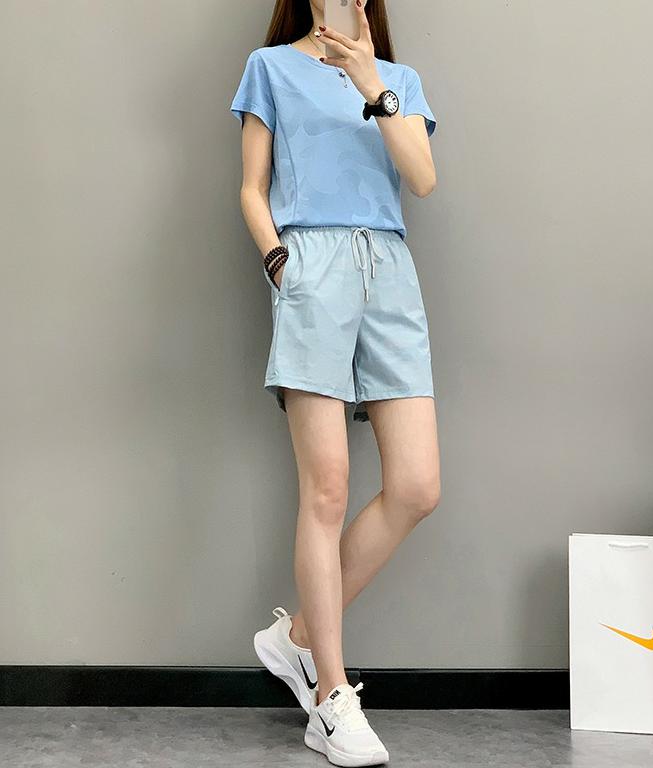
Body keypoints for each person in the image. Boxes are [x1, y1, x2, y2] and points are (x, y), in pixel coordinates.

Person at [230, 1, 440, 765]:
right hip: (310, 264)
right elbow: (251, 187)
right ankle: (330, 698)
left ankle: (295, 638)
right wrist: (279, 264)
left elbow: (422, 179)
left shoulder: (398, 78)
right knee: (327, 490)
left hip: (390, 269)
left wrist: (369, 80)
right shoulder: (270, 67)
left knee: (416, 486)